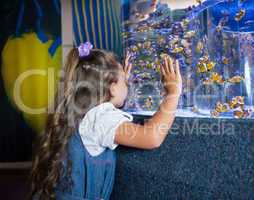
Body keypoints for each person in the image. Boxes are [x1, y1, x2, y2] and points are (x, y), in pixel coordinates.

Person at [30, 42, 182, 200]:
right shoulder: (102, 118)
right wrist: (173, 92)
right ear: (112, 87)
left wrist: (121, 82)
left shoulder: (82, 113)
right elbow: (152, 137)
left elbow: (114, 106)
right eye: (124, 81)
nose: (127, 85)